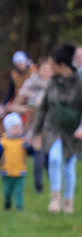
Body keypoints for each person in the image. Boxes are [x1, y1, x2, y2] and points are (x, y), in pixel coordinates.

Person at [27, 43, 82, 214]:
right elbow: (43, 108)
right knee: (55, 159)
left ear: (62, 64)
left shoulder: (80, 83)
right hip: (53, 129)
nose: (50, 68)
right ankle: (55, 197)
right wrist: (33, 132)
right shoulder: (52, 83)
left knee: (69, 166)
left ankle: (68, 201)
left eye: (52, 64)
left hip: (73, 131)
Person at [13, 57, 53, 192]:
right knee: (39, 152)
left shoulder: (58, 86)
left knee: (50, 157)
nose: (48, 72)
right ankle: (38, 185)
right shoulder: (30, 85)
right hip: (35, 125)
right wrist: (24, 109)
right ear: (39, 71)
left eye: (50, 69)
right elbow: (15, 105)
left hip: (53, 125)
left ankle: (54, 185)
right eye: (45, 69)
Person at [0, 112, 32, 211]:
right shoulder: (3, 142)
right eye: (14, 128)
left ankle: (19, 206)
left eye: (19, 128)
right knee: (7, 191)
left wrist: (29, 147)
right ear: (8, 129)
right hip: (7, 172)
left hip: (20, 171)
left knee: (19, 191)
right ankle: (7, 205)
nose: (17, 130)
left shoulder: (23, 141)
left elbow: (31, 153)